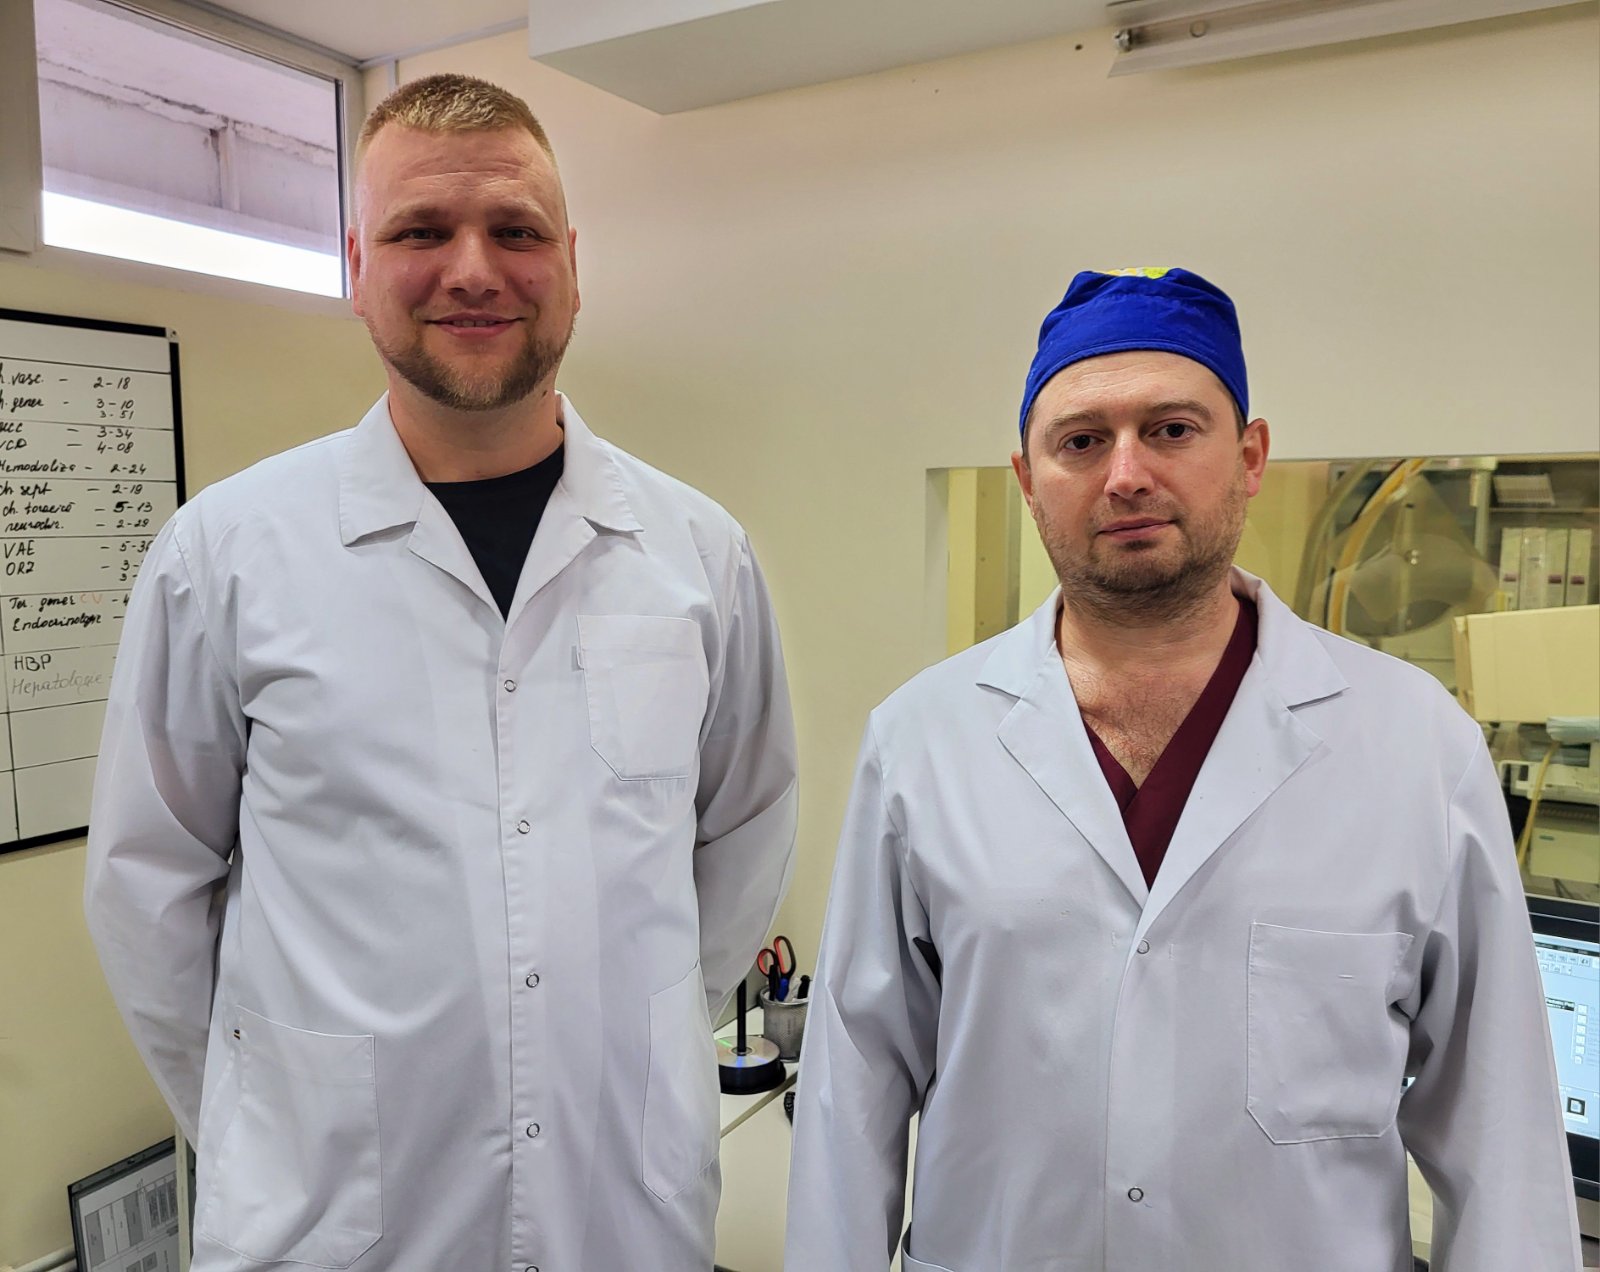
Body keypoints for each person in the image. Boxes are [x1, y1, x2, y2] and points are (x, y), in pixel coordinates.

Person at [84, 73, 797, 1272]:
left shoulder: (697, 557)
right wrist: (270, 1130)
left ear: (570, 263)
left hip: (618, 1215)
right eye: (422, 231)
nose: (474, 270)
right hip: (331, 1228)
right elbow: (147, 892)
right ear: (358, 263)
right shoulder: (228, 556)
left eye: (515, 231)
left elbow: (741, 842)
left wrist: (620, 1039)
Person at [785, 268, 1581, 1271]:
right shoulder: (921, 740)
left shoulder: (1415, 745)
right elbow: (851, 1089)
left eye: (1170, 429)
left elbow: (1500, 1128)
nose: (1125, 474)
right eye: (1081, 441)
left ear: (1249, 457)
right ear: (1027, 479)